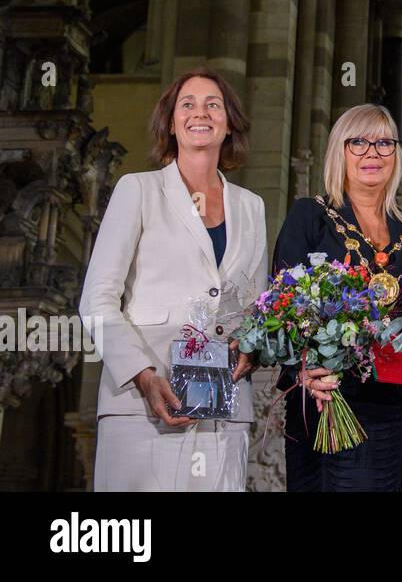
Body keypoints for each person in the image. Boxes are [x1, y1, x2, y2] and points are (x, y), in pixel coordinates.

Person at [80, 67, 267, 491]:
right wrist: (144, 375)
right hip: (142, 403)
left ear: (229, 122)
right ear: (170, 121)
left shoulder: (251, 206)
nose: (200, 113)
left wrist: (251, 347)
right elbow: (97, 300)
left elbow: (256, 306)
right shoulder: (137, 190)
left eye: (212, 105)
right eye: (188, 104)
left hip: (224, 406)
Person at [274, 103, 402, 492]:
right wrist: (302, 371)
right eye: (358, 142)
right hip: (333, 400)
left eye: (384, 143)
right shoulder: (311, 217)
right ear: (339, 151)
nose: (372, 152)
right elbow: (282, 308)